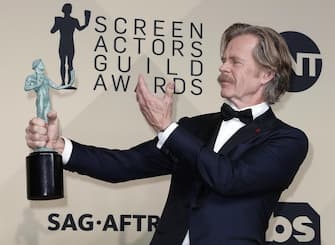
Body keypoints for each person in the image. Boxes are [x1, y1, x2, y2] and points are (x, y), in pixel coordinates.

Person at [25, 23, 309, 245]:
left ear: (266, 74)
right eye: (223, 59)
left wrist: (168, 129)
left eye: (235, 61)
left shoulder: (288, 140)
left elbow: (230, 179)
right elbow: (123, 165)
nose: (222, 67)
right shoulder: (193, 128)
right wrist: (60, 147)